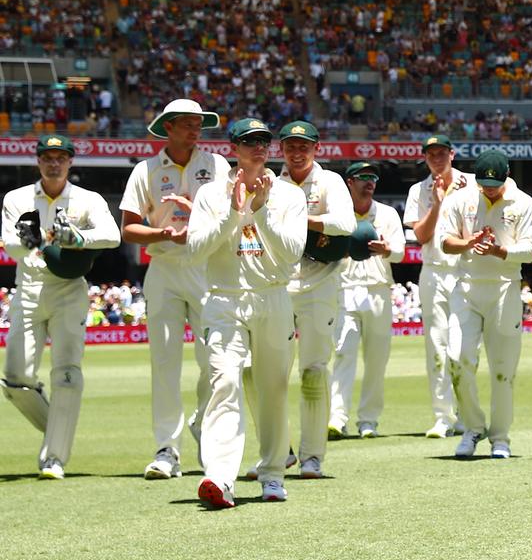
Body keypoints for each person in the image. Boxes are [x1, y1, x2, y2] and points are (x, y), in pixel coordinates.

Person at [186, 118, 307, 508]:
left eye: (264, 141)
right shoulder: (209, 194)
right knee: (224, 383)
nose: (259, 147)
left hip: (273, 297)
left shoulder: (288, 194)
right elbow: (195, 249)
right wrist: (233, 214)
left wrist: (261, 210)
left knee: (273, 390)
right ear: (234, 147)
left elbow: (291, 252)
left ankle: (272, 474)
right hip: (224, 299)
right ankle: (219, 479)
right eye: (250, 141)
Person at [120, 99, 230, 480]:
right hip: (164, 267)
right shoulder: (145, 170)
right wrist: (162, 233)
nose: (195, 129)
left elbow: (230, 215)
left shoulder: (217, 165)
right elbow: (129, 228)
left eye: (199, 123)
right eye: (186, 123)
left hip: (206, 268)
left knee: (213, 359)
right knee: (165, 363)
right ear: (168, 127)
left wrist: (197, 227)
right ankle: (167, 449)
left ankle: (204, 427)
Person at [2, 134, 120, 479]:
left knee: (67, 372)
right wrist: (26, 240)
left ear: (70, 162)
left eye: (61, 158)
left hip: (69, 289)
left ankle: (54, 457)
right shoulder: (17, 198)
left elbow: (112, 236)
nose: (54, 163)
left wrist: (78, 238)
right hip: (29, 288)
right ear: (38, 160)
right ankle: (58, 424)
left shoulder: (87, 199)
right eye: (47, 157)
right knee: (15, 378)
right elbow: (10, 246)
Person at [439, 150, 532, 459]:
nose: (490, 190)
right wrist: (468, 243)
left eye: (494, 185)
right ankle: (472, 427)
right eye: (484, 184)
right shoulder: (461, 199)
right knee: (457, 357)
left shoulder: (522, 202)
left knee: (502, 370)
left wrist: (499, 252)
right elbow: (444, 241)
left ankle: (500, 437)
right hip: (466, 286)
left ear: (506, 176)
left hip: (505, 289)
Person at [274, 120, 356, 479]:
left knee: (313, 370)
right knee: (266, 373)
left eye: (303, 145)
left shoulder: (329, 182)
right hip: (277, 284)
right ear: (281, 149)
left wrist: (300, 220)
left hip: (319, 286)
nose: (296, 151)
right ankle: (278, 451)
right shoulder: (272, 184)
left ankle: (312, 456)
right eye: (290, 145)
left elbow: (346, 224)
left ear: (316, 148)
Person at [403, 134, 474, 438]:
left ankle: (467, 414)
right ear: (425, 158)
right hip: (432, 270)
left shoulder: (472, 183)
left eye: (441, 153)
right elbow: (421, 236)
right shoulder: (418, 190)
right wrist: (437, 202)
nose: (436, 159)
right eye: (431, 155)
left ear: (452, 154)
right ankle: (443, 417)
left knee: (462, 348)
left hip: (464, 271)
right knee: (436, 346)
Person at [329, 162, 406, 439]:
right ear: (350, 182)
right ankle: (337, 418)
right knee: (342, 354)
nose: (369, 182)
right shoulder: (337, 214)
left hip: (378, 290)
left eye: (373, 177)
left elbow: (400, 253)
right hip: (344, 289)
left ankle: (368, 421)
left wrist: (387, 249)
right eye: (363, 177)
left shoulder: (386, 213)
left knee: (376, 360)